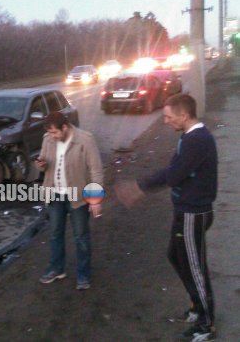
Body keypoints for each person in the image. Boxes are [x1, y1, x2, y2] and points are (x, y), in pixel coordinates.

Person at [115, 94, 217, 341]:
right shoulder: (189, 136)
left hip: (194, 212)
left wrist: (139, 187)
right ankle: (196, 305)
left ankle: (206, 325)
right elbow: (176, 170)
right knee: (176, 257)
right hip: (185, 210)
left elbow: (174, 174)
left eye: (169, 117)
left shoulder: (197, 140)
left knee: (194, 268)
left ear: (184, 115)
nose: (167, 121)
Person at [34, 111, 104, 290]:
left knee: (81, 236)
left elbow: (96, 170)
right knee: (55, 234)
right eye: (50, 133)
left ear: (64, 127)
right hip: (55, 194)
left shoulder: (85, 139)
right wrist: (41, 165)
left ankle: (83, 275)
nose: (52, 136)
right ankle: (57, 269)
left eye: (55, 133)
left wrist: (96, 199)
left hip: (77, 196)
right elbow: (44, 163)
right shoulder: (47, 139)